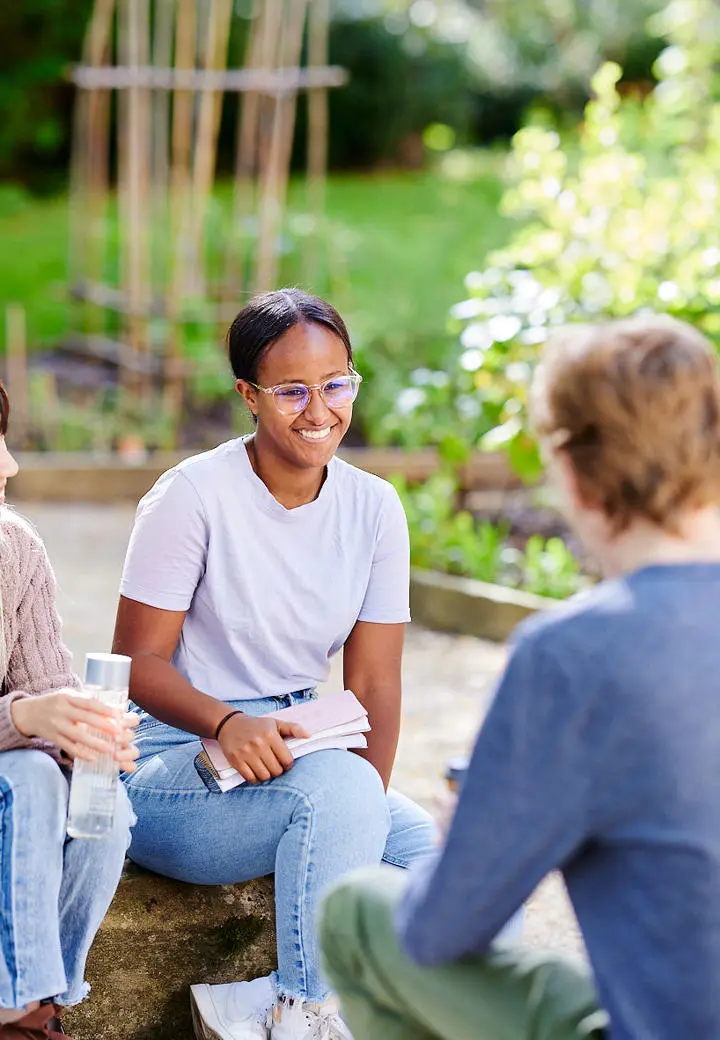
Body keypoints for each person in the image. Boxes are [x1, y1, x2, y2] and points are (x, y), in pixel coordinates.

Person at [320, 314, 720, 1040]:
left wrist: (470, 830)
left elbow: (441, 932)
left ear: (571, 472)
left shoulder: (575, 654)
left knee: (357, 913)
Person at [112, 289, 439, 1040]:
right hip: (171, 759)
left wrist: (356, 810)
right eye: (291, 390)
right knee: (342, 797)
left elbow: (375, 683)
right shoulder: (192, 497)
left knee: (433, 865)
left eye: (336, 385)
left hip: (299, 751)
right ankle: (302, 1014)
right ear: (248, 395)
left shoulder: (374, 508)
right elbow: (135, 664)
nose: (318, 410)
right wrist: (227, 722)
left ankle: (247, 1007)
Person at [0, 381, 138, 1040]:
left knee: (102, 803)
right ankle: (18, 1013)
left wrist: (84, 731)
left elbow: (46, 684)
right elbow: (26, 716)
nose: (9, 465)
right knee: (30, 777)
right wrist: (27, 720)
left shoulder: (12, 548)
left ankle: (42, 1004)